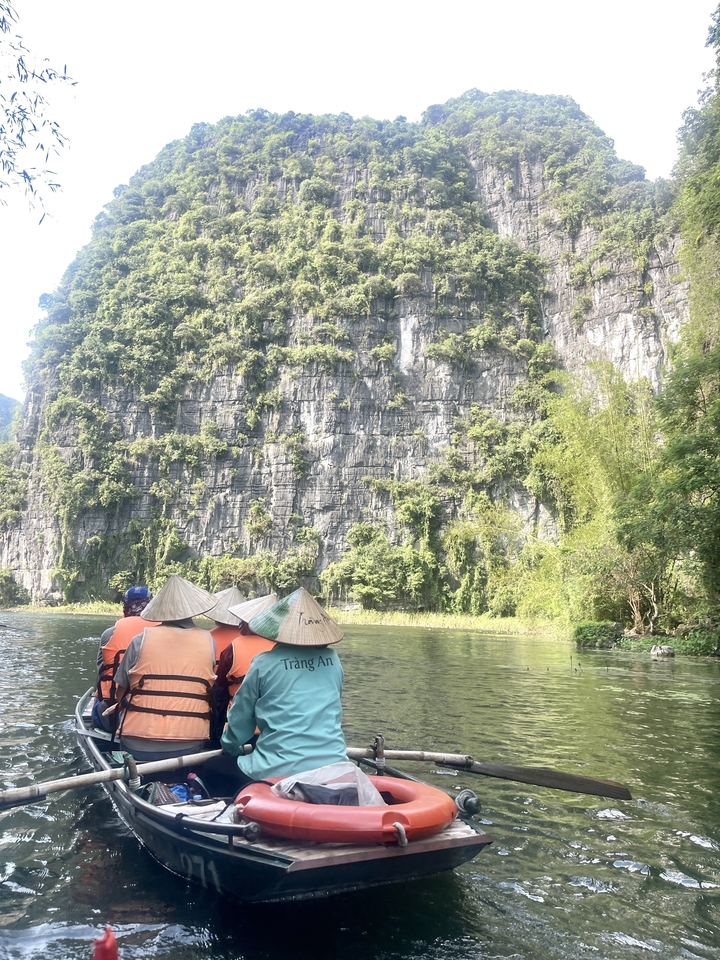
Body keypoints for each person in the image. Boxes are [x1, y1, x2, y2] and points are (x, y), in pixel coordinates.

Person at [221, 587, 347, 786]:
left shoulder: (264, 662)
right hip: (336, 766)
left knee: (212, 768)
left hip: (277, 769)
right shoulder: (333, 659)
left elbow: (241, 716)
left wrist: (231, 747)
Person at [113, 573, 217, 761]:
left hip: (136, 742)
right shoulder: (210, 641)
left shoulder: (140, 640)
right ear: (192, 609)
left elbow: (119, 694)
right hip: (190, 743)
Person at [211, 593, 277, 740]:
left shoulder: (234, 647)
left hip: (240, 728)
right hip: (273, 727)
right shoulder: (280, 648)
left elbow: (220, 690)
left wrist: (216, 733)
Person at [93, 585, 158, 732]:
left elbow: (101, 670)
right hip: (152, 709)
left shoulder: (109, 634)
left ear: (125, 606)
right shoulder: (162, 633)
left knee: (101, 696)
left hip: (110, 714)